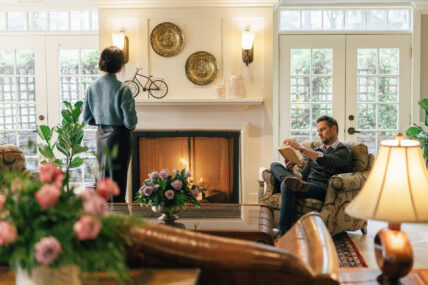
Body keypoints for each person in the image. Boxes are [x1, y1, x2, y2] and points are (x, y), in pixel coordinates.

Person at [268, 116, 352, 236]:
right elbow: (303, 174)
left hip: (323, 187)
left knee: (286, 186)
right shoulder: (317, 149)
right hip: (306, 184)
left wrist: (301, 148)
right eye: (318, 131)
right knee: (275, 165)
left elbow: (326, 160)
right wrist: (291, 170)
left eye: (323, 129)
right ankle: (287, 179)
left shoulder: (343, 151)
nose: (320, 134)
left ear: (334, 129)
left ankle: (284, 232)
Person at [83, 46, 137, 202]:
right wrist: (130, 125)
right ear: (121, 66)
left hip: (101, 136)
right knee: (118, 180)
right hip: (119, 137)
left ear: (102, 63)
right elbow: (130, 122)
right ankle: (120, 220)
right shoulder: (123, 88)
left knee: (104, 178)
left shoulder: (92, 87)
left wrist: (102, 122)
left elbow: (87, 118)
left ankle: (104, 217)